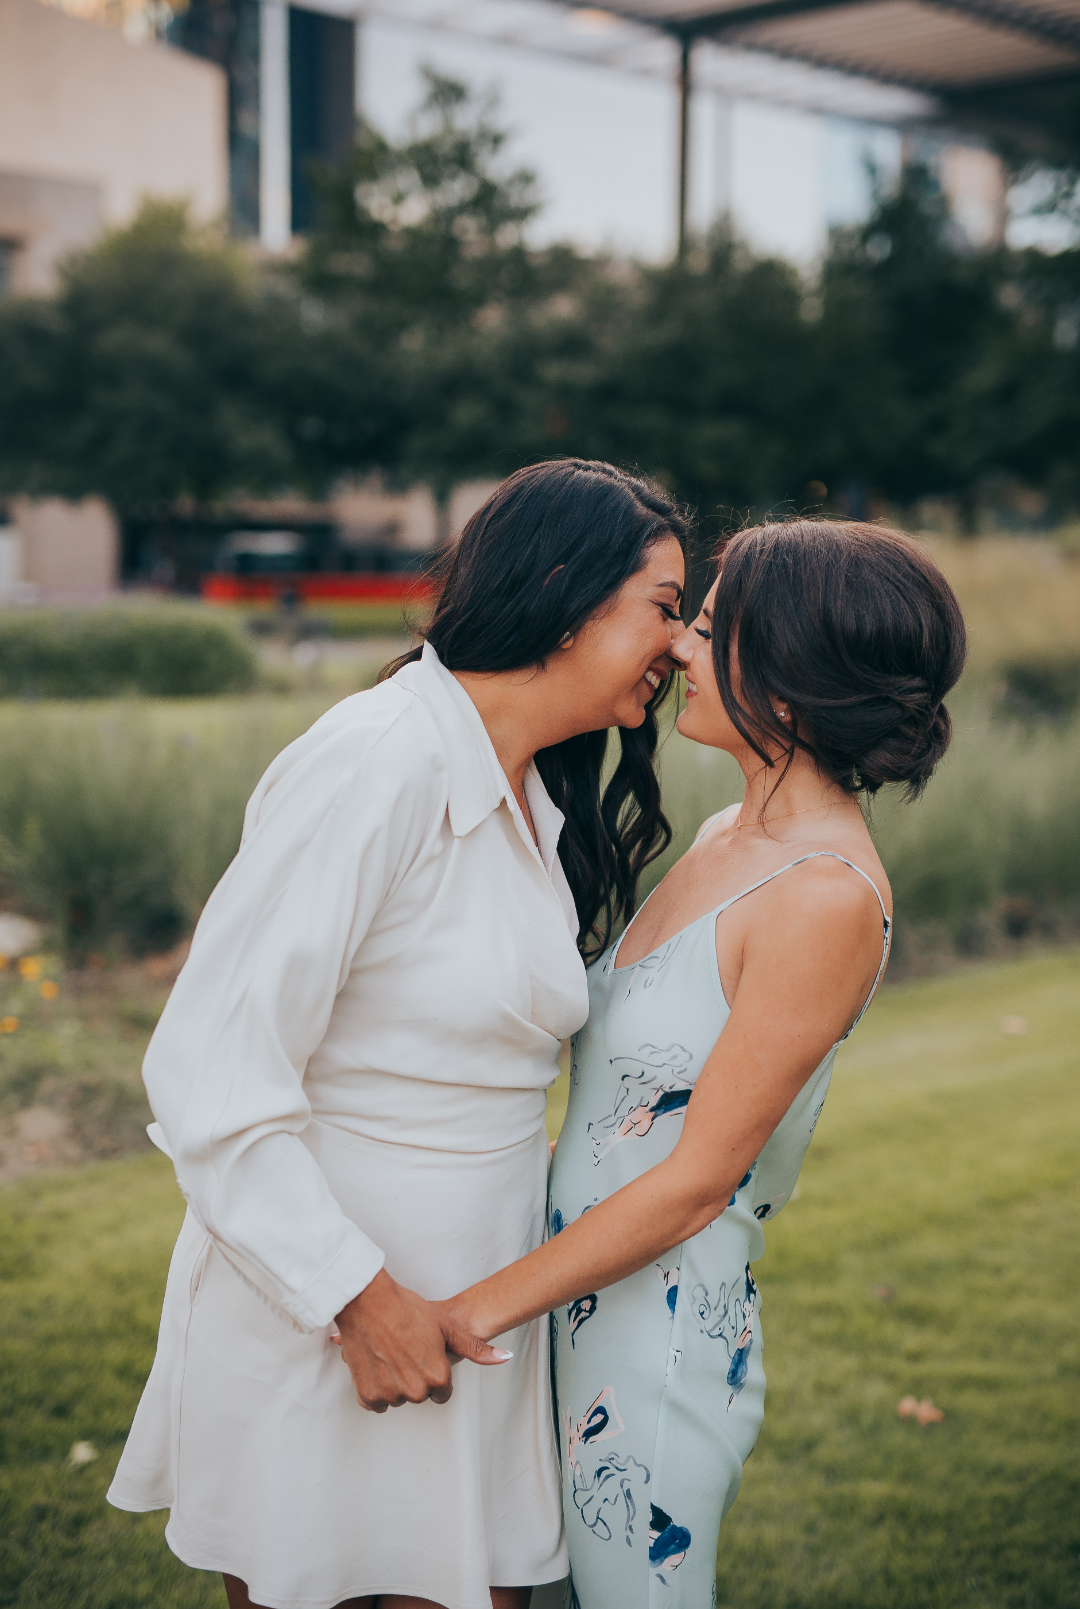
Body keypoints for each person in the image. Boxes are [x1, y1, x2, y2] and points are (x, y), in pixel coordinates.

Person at [107, 459, 689, 1609]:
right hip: (328, 1308)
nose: (677, 646)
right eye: (665, 609)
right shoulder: (376, 760)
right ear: (569, 597)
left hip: (475, 1309)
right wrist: (354, 1299)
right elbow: (211, 1068)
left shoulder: (533, 795)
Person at [438, 517, 967, 1607]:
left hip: (657, 1344)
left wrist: (467, 1314)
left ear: (788, 681)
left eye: (711, 628)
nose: (679, 648)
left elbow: (692, 1185)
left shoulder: (822, 895)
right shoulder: (730, 833)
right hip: (571, 1298)